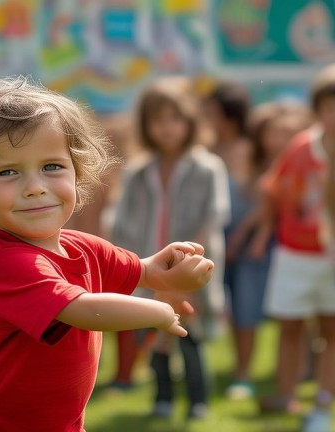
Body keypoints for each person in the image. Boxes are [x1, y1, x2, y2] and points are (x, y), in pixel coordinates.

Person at [0, 76, 214, 431]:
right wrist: (159, 311)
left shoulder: (81, 246)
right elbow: (85, 310)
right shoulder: (6, 262)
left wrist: (167, 268)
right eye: (7, 172)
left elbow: (142, 271)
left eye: (51, 166)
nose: (35, 188)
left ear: (78, 171)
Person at [112, 76, 229, 419]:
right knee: (155, 332)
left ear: (190, 121)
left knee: (190, 333)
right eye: (157, 120)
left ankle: (197, 401)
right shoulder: (138, 171)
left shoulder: (206, 168)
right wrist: (133, 266)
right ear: (145, 125)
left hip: (192, 269)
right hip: (148, 268)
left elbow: (211, 219)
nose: (166, 128)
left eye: (174, 118)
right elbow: (123, 223)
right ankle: (162, 398)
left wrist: (188, 271)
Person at [259, 64, 335, 432]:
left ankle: (322, 400)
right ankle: (286, 392)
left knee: (331, 330)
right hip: (295, 252)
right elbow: (273, 187)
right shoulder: (302, 145)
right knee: (289, 325)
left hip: (331, 259)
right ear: (318, 109)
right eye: (329, 105)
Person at [222, 100, 312, 400]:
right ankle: (245, 371)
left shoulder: (305, 164)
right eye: (274, 131)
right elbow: (263, 208)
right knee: (245, 307)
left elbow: (272, 212)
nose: (280, 139)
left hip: (292, 246)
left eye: (289, 132)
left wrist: (255, 235)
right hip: (259, 249)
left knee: (301, 314)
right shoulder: (253, 164)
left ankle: (300, 370)